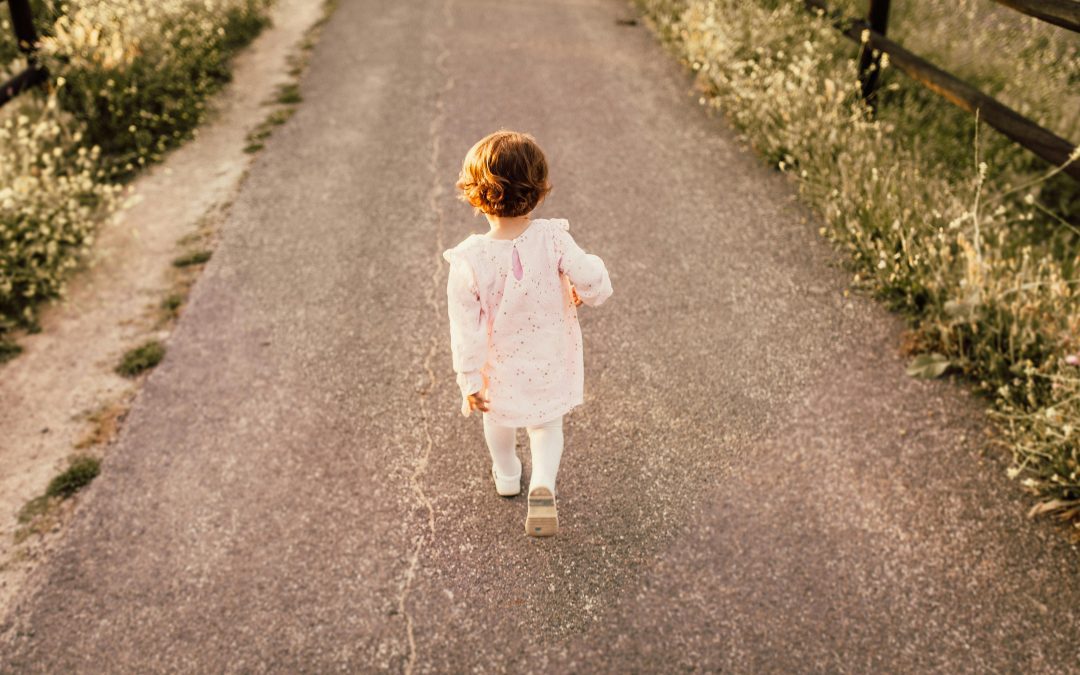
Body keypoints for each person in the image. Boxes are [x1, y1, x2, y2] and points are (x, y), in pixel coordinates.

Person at [442, 130, 613, 537]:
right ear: (538, 191)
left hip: (498, 366)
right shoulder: (553, 238)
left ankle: (506, 474)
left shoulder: (469, 260)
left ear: (474, 194)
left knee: (497, 418)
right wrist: (588, 289)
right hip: (550, 356)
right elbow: (590, 277)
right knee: (546, 425)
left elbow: (464, 328)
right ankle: (543, 484)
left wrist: (468, 379)